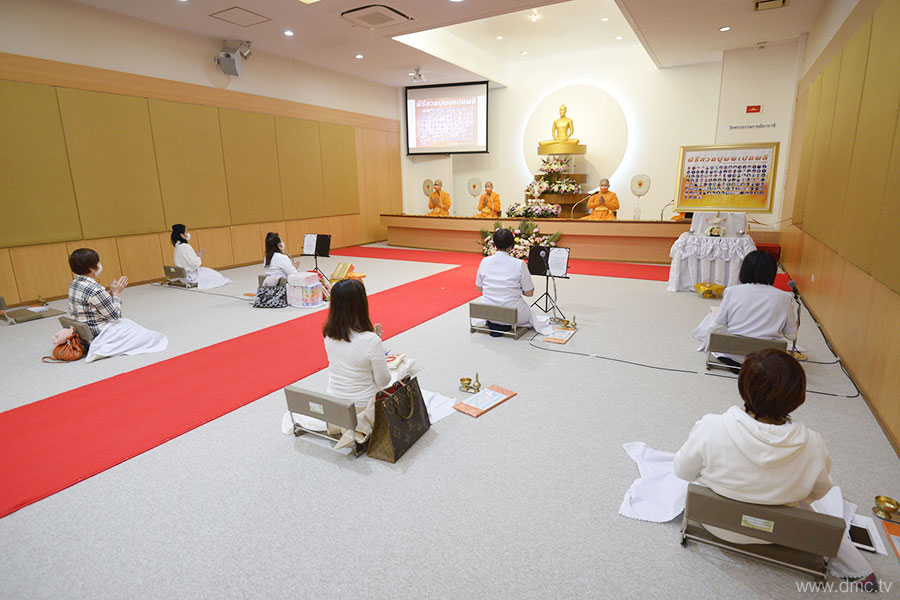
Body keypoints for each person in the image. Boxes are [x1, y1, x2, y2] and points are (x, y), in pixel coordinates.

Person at [673, 349, 877, 590]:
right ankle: (858, 571)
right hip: (779, 533)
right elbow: (817, 493)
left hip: (715, 523)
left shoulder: (711, 427)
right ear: (798, 395)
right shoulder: (812, 443)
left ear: (743, 385)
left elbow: (682, 471)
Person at [692, 250, 797, 366]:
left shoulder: (732, 291)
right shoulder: (785, 297)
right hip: (768, 359)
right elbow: (791, 335)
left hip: (733, 354)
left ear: (744, 270)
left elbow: (719, 324)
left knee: (713, 316)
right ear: (772, 272)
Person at [67, 248, 168, 363]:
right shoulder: (95, 289)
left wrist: (110, 293)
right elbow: (115, 316)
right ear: (91, 268)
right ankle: (103, 350)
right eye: (98, 263)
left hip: (82, 332)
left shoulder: (74, 284)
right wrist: (116, 294)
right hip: (98, 333)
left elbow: (94, 305)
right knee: (151, 337)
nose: (100, 265)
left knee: (130, 325)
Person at [475, 229, 552, 336]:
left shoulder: (485, 261)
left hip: (488, 312)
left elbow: (479, 287)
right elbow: (529, 293)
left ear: (494, 244)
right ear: (511, 245)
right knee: (529, 314)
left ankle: (497, 323)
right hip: (513, 313)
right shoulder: (519, 264)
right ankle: (505, 324)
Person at [170, 224, 231, 289]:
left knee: (210, 272)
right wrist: (199, 256)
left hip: (183, 277)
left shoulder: (177, 247)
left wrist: (196, 257)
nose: (188, 234)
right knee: (216, 276)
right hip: (191, 276)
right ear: (182, 235)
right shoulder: (185, 246)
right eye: (186, 232)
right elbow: (195, 264)